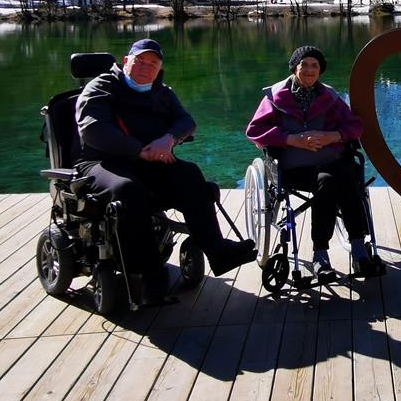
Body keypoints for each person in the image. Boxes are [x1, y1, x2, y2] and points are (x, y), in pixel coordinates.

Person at [75, 39, 257, 304]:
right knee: (127, 189)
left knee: (190, 174)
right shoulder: (102, 87)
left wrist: (169, 139)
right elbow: (92, 128)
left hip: (150, 160)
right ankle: (151, 274)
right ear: (126, 62)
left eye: (153, 64)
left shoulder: (162, 92)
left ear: (159, 69)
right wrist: (138, 150)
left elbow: (187, 121)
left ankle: (218, 251)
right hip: (103, 162)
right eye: (140, 61)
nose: (145, 68)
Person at [245, 45, 380, 281]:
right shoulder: (275, 96)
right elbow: (255, 130)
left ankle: (360, 249)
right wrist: (291, 140)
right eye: (304, 64)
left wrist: (333, 136)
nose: (309, 69)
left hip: (331, 159)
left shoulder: (330, 96)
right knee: (326, 183)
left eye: (314, 65)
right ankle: (320, 254)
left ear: (320, 71)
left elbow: (355, 125)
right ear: (295, 67)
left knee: (348, 177)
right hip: (294, 168)